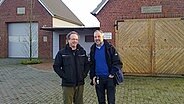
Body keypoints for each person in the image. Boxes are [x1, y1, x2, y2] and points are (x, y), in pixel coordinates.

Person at [53, 31, 90, 104]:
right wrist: (65, 76)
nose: (75, 41)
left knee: (79, 102)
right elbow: (56, 66)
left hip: (80, 83)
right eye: (73, 39)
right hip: (68, 84)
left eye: (76, 39)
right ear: (68, 40)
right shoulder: (62, 53)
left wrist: (84, 75)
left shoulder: (82, 52)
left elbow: (87, 64)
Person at [89, 30, 123, 104]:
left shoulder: (110, 48)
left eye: (99, 36)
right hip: (98, 79)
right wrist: (93, 76)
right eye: (95, 37)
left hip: (109, 78)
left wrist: (112, 74)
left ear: (102, 37)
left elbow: (118, 63)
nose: (97, 38)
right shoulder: (92, 49)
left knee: (111, 101)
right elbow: (91, 64)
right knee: (101, 101)